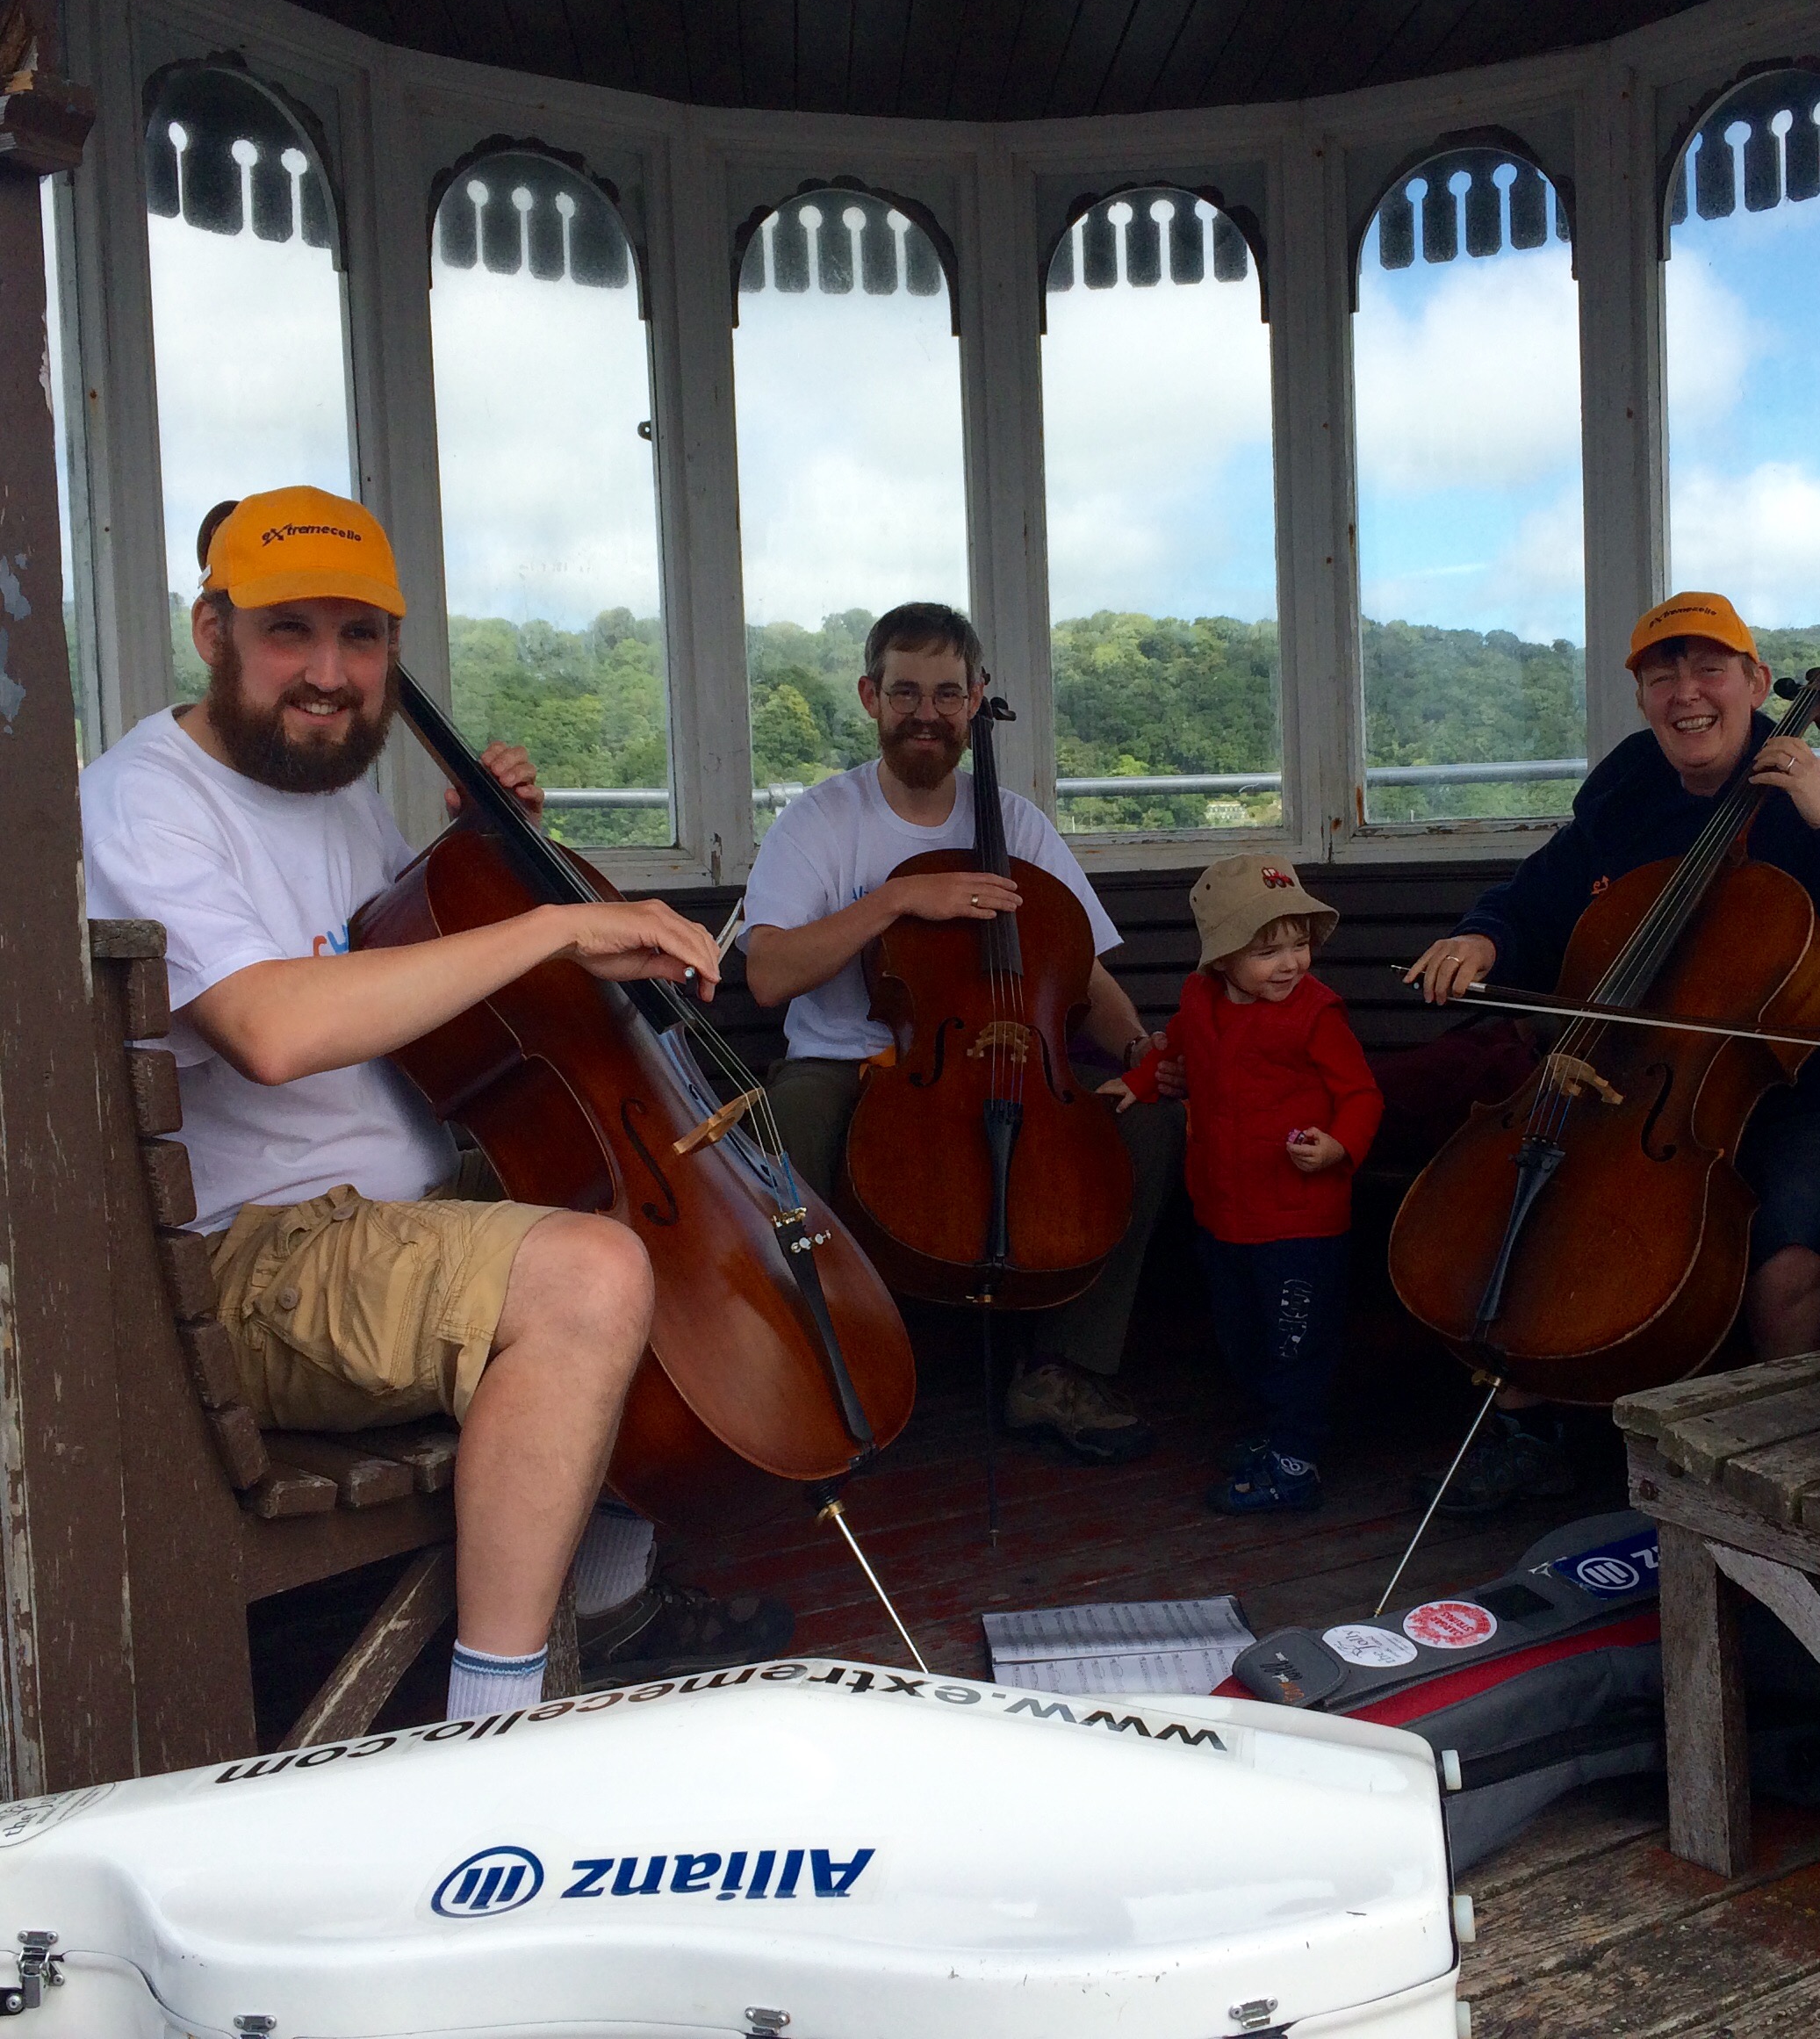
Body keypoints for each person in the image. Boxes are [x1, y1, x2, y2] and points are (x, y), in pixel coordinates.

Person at [79, 486, 790, 1716]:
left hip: (387, 1210)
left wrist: (478, 856)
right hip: (256, 1259)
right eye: (288, 631)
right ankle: (495, 1718)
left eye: (361, 637)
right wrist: (553, 924)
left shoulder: (332, 786)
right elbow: (275, 1026)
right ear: (212, 630)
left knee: (646, 1203)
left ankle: (611, 1597)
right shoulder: (145, 798)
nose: (329, 671)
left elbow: (405, 984)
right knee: (587, 1275)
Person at [1403, 591, 1820, 1512]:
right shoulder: (1628, 797)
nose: (1687, 693)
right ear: (1641, 697)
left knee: (1789, 1263)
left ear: (1756, 684)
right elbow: (1535, 897)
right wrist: (1485, 937)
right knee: (1536, 1204)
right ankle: (1532, 1429)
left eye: (1710, 668)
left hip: (1818, 1077)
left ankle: (1788, 1467)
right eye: (1662, 673)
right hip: (1654, 1084)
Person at [741, 602, 1184, 1464]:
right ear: (871, 696)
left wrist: (1143, 1057)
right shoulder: (822, 821)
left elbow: (1080, 973)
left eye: (948, 694)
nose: (927, 713)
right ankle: (831, 1372)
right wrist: (898, 899)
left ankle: (1062, 1369)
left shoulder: (1013, 824)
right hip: (852, 1062)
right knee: (789, 1124)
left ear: (976, 700)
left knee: (1148, 1127)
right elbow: (768, 973)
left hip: (1011, 1055)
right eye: (905, 692)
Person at [1104, 856, 1382, 1513]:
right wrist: (1138, 1083)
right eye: (1268, 951)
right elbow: (1175, 1050)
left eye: (1300, 945)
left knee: (1296, 1343)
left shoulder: (1316, 1015)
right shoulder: (1199, 1000)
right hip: (1224, 1211)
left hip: (1299, 1219)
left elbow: (1362, 1094)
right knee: (1241, 1333)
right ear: (1222, 958)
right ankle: (1274, 1432)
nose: (1291, 963)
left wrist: (1340, 1144)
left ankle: (1296, 1460)